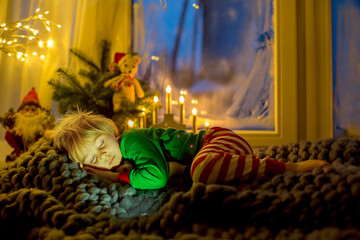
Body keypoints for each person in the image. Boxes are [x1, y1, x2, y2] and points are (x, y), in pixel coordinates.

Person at [51, 111, 330, 190]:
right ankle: (244, 167)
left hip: (215, 141)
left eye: (101, 145)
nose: (103, 157)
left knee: (200, 171)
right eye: (93, 160)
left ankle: (289, 167)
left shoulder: (130, 142)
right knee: (196, 174)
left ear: (112, 133)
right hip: (223, 150)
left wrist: (117, 178)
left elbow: (157, 178)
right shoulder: (122, 156)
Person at [1, 88, 56, 162]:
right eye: (26, 110)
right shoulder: (16, 126)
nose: (30, 112)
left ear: (39, 112)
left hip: (39, 155)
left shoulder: (42, 127)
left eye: (33, 110)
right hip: (20, 156)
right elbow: (9, 138)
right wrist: (15, 133)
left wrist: (48, 133)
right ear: (20, 112)